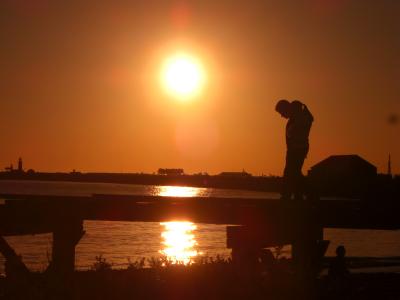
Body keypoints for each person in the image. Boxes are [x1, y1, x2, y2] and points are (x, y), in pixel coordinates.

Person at [275, 99, 313, 201]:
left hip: (298, 148)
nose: (282, 116)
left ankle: (289, 194)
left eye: (282, 112)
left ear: (286, 108)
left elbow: (303, 127)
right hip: (296, 148)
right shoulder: (295, 117)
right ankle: (299, 194)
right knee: (295, 172)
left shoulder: (298, 116)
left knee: (291, 171)